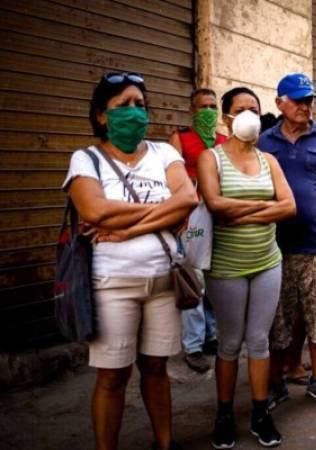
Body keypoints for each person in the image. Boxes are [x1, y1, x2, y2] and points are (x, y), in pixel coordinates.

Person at [63, 72, 198, 450]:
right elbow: (92, 208)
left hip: (163, 282)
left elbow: (187, 200)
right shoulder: (85, 159)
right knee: (112, 376)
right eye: (123, 105)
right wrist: (160, 209)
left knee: (157, 369)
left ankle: (165, 443)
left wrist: (125, 227)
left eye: (140, 104)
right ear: (101, 115)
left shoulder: (164, 153)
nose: (134, 112)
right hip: (113, 285)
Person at [197, 87, 296, 449]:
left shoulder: (269, 160)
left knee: (259, 341)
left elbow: (289, 207)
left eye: (254, 109)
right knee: (229, 343)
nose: (249, 116)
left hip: (267, 262)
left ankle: (260, 412)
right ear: (226, 118)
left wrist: (241, 210)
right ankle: (223, 414)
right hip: (226, 267)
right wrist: (262, 209)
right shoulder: (212, 158)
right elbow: (213, 203)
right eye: (241, 110)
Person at [258, 73, 316, 408]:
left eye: (309, 100)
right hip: (273, 246)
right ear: (279, 102)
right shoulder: (264, 142)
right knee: (277, 321)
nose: (306, 107)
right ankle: (276, 383)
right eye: (298, 100)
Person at [169, 88, 228, 373]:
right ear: (192, 110)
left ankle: (211, 335)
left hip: (219, 214)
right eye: (203, 106)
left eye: (213, 106)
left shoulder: (224, 141)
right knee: (194, 279)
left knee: (215, 276)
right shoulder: (180, 138)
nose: (209, 111)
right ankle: (192, 345)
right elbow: (173, 177)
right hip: (192, 216)